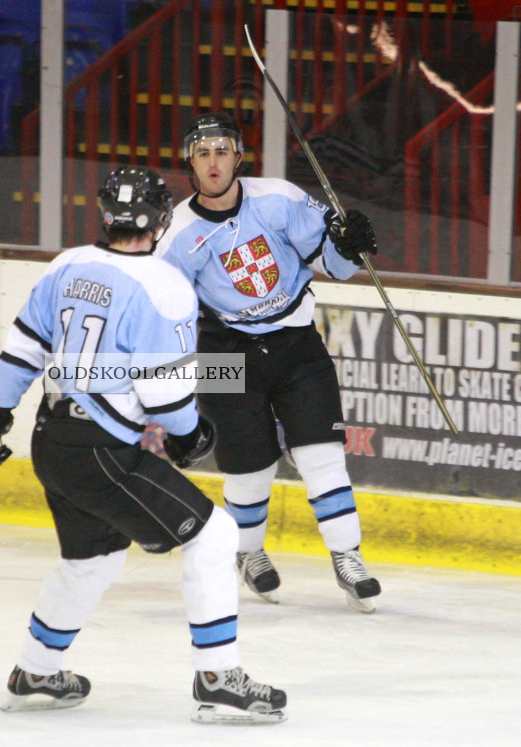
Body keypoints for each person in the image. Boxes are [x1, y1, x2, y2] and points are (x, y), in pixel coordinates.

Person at [0, 166, 287, 723]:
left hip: (52, 441)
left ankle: (36, 670)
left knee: (93, 557)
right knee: (216, 536)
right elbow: (165, 392)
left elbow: (23, 349)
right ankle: (218, 677)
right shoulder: (164, 285)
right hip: (103, 451)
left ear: (105, 214)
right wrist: (191, 436)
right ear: (161, 220)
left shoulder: (68, 264)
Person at [155, 111, 382, 613]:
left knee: (322, 452)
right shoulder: (177, 233)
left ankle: (348, 556)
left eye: (222, 151)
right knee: (249, 465)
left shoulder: (278, 198)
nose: (213, 163)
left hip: (294, 341)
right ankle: (250, 553)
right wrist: (172, 401)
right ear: (189, 162)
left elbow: (331, 263)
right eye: (202, 153)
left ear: (238, 156)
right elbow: (165, 317)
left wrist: (348, 246)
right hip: (223, 353)